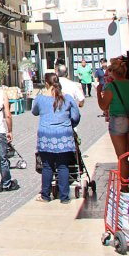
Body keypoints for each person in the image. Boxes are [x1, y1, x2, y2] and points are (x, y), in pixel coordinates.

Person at [32, 73, 81, 204]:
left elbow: (34, 111)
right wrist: (69, 125)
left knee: (47, 166)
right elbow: (76, 116)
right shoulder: (67, 98)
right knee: (63, 166)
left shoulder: (40, 99)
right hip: (64, 136)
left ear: (46, 83)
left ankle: (45, 195)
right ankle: (64, 197)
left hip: (46, 136)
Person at [97, 57, 129, 181]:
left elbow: (103, 106)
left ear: (112, 72)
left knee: (122, 157)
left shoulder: (111, 87)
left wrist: (98, 93)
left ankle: (124, 187)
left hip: (118, 120)